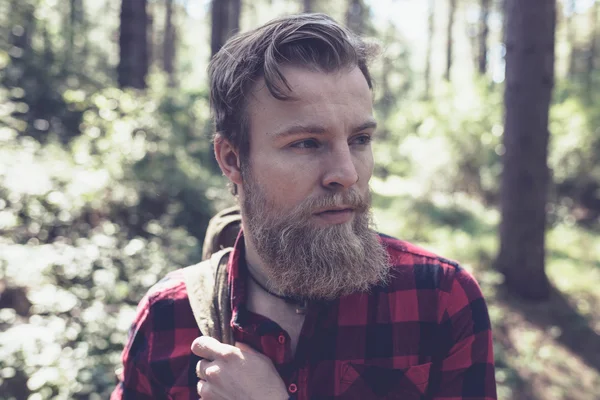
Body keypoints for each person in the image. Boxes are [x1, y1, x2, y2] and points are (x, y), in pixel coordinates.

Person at [111, 13, 497, 400]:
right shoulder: (167, 319)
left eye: (360, 139)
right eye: (307, 143)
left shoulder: (440, 300)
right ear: (232, 159)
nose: (346, 173)